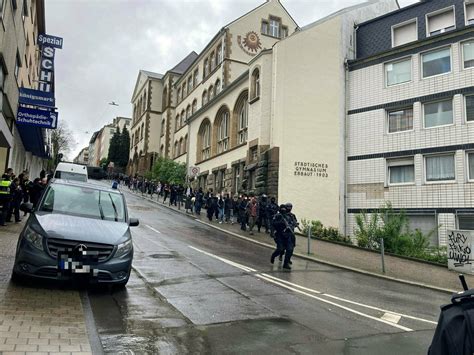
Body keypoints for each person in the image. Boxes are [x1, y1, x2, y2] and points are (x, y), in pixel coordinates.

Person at [270, 204, 295, 270]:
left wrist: (290, 226)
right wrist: (280, 223)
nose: (283, 210)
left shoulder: (289, 216)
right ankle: (273, 256)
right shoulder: (277, 216)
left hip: (288, 235)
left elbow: (293, 223)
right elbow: (273, 224)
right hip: (279, 235)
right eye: (282, 209)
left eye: (284, 209)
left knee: (290, 249)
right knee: (280, 249)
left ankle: (285, 264)